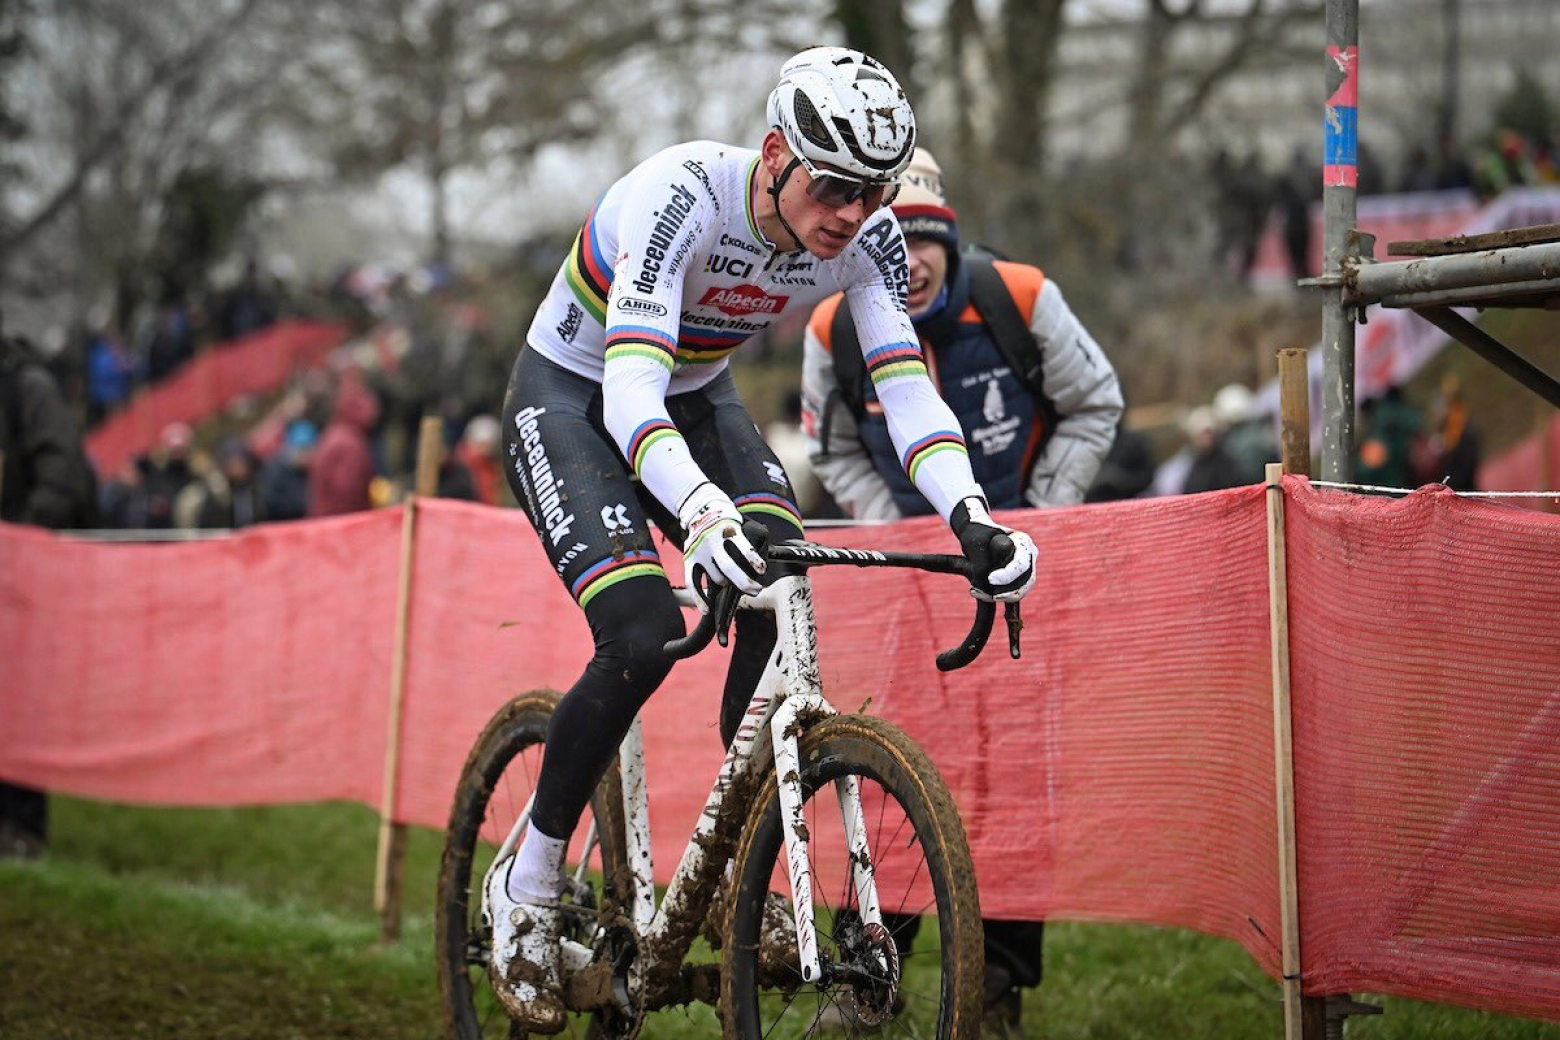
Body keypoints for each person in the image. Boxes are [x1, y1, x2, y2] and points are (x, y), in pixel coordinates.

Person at [490, 47, 1039, 1034]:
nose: (850, 212)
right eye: (832, 186)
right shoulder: (680, 197)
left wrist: (974, 515)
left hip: (693, 396)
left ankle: (744, 859)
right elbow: (628, 391)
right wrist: (702, 516)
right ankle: (528, 877)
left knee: (779, 580)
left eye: (871, 191)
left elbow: (907, 391)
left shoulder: (865, 236)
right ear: (778, 152)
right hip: (577, 393)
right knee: (646, 627)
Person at [801, 147, 1120, 1035]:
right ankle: (868, 979)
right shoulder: (834, 329)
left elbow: (1097, 401)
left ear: (944, 237)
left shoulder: (1020, 298)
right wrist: (889, 530)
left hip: (1017, 575)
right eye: (884, 243)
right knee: (884, 765)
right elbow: (830, 447)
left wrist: (1040, 516)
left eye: (918, 240)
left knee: (1015, 781)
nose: (906, 263)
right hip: (908, 586)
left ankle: (997, 988)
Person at [0, 324, 101, 858]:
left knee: (16, 704)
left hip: (18, 574)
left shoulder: (27, 388)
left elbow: (63, 474)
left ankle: (20, 828)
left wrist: (21, 540)